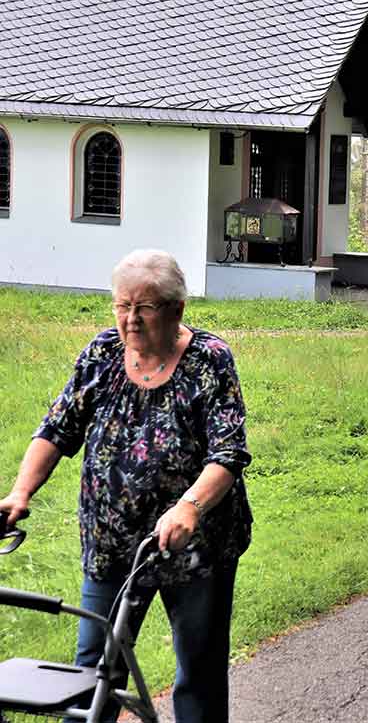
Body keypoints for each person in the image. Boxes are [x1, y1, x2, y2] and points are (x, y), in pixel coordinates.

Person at [0, 249, 252, 723]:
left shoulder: (210, 361)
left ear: (177, 309)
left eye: (146, 307)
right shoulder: (101, 353)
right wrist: (20, 492)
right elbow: (56, 429)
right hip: (112, 545)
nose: (131, 320)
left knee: (198, 674)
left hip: (196, 547)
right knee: (95, 675)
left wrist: (190, 507)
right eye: (122, 306)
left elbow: (228, 453)